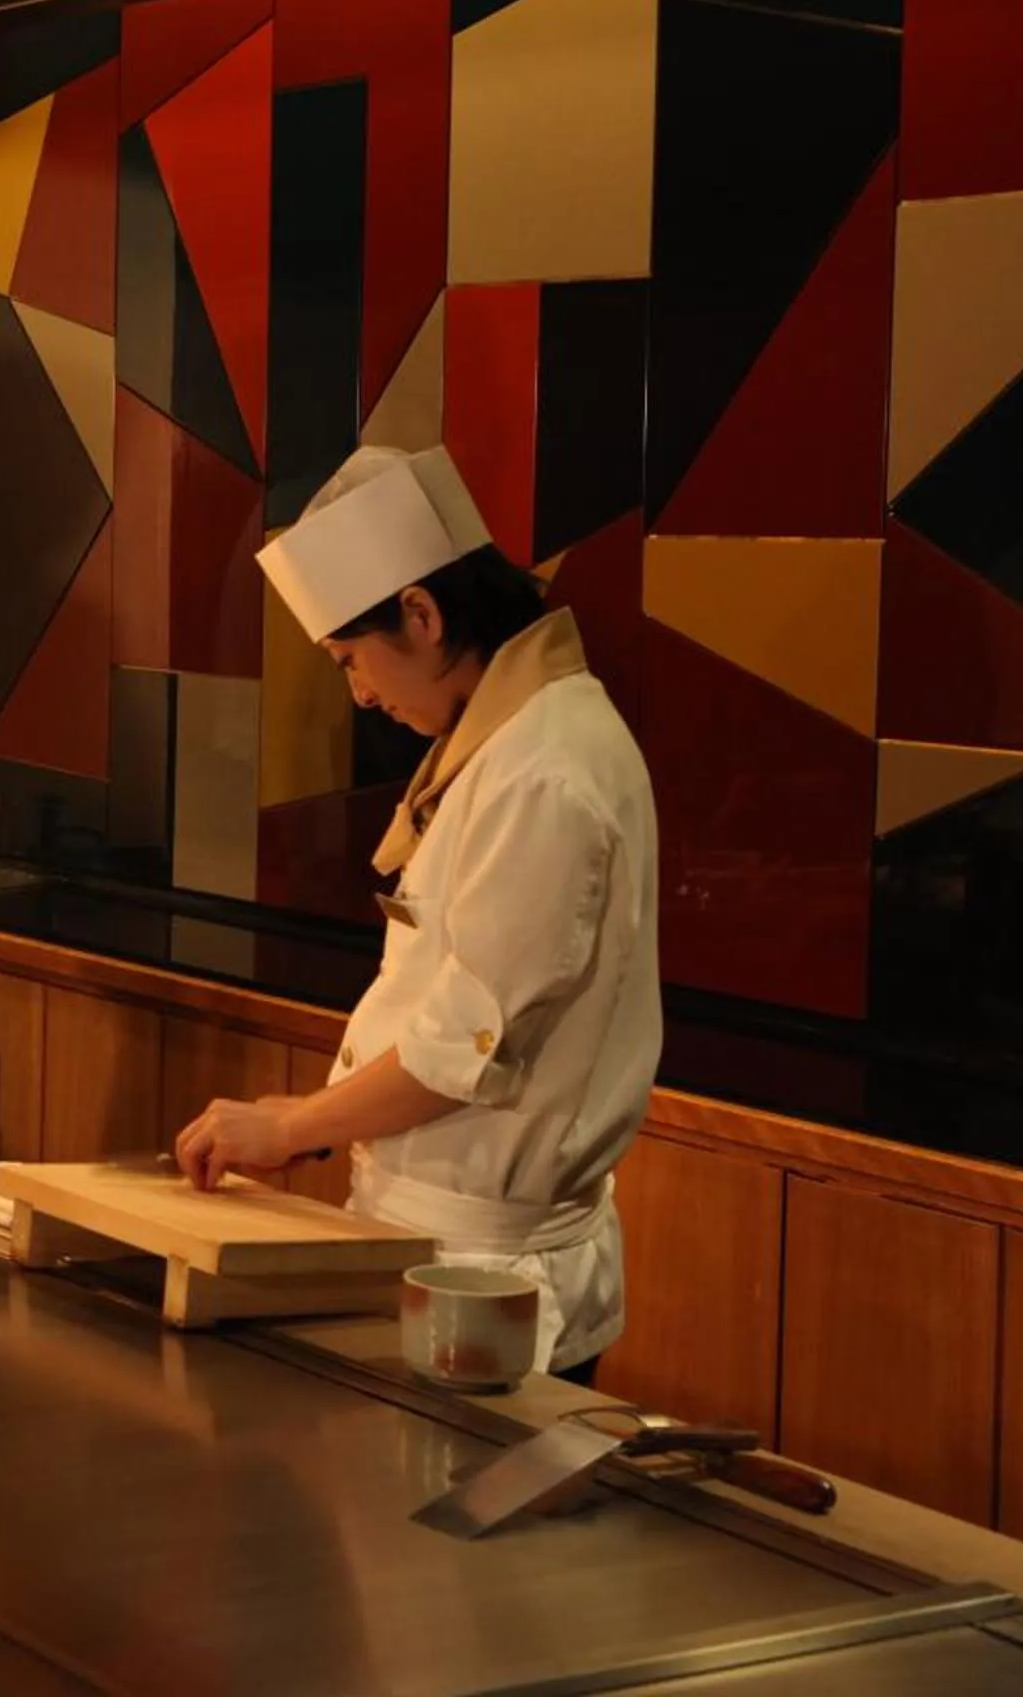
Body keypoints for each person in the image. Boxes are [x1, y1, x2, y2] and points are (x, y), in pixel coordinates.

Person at [172, 446, 659, 1383]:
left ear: (423, 615)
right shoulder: (506, 745)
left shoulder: (544, 771)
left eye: (351, 658)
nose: (357, 692)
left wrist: (292, 1127)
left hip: (489, 1276)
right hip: (432, 1245)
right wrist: (311, 1116)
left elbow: (459, 1051)